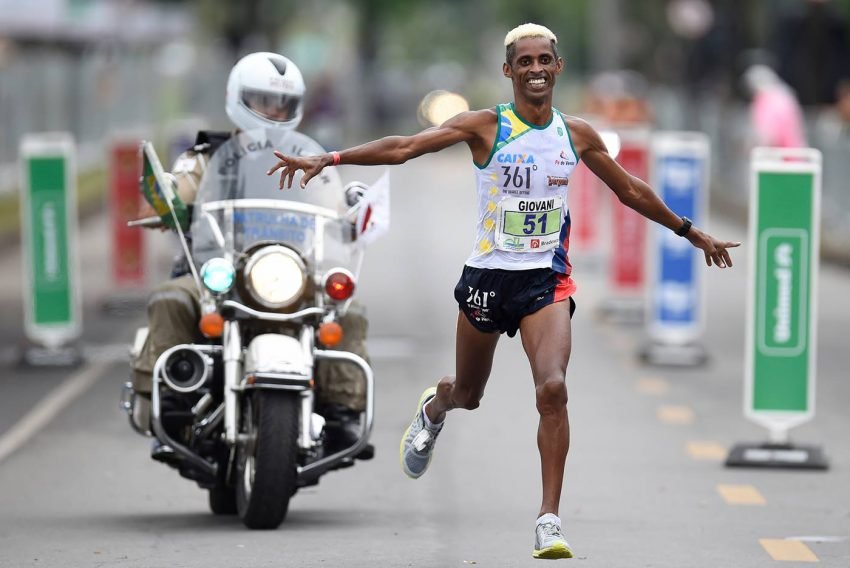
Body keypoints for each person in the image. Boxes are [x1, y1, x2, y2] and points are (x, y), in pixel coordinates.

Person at [267, 24, 740, 559]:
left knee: (553, 389)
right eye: (526, 62)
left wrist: (689, 230)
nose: (536, 69)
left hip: (546, 282)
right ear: (509, 70)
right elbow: (404, 147)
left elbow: (628, 188)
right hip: (488, 280)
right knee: (469, 395)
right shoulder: (485, 126)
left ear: (558, 68)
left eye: (545, 60)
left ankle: (549, 521)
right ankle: (435, 409)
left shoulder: (576, 134)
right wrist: (327, 160)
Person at [131, 51, 372, 460]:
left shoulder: (308, 161)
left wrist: (352, 210)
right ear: (238, 98)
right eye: (263, 101)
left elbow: (335, 206)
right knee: (173, 298)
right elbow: (164, 201)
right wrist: (166, 202)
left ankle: (340, 412)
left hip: (290, 271)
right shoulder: (205, 156)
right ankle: (171, 402)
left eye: (282, 103)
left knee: (347, 310)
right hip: (219, 268)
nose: (274, 110)